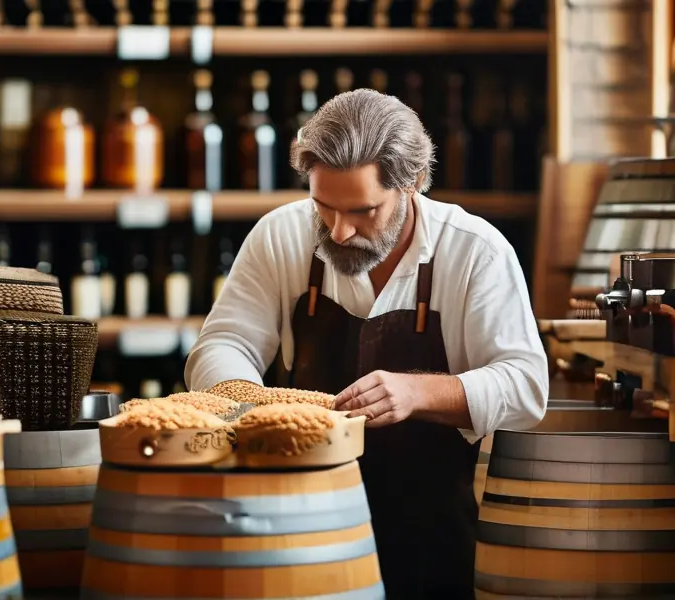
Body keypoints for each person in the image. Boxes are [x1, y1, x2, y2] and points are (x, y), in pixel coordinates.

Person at [185, 89, 548, 599]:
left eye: (362, 210)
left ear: (414, 183)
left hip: (430, 538)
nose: (339, 230)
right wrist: (252, 400)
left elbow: (526, 386)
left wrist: (418, 394)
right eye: (323, 207)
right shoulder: (279, 236)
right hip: (293, 525)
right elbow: (221, 342)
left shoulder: (474, 250)